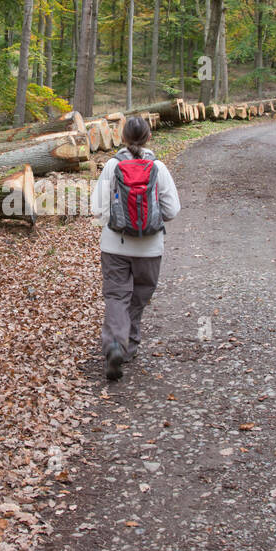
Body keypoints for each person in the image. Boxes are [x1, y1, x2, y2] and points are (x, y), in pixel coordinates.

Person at [90, 115, 180, 380]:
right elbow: (172, 210)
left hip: (115, 246)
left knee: (117, 296)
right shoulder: (158, 168)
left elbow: (97, 208)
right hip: (150, 248)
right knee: (139, 297)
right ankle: (127, 345)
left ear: (122, 138)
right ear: (149, 137)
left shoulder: (111, 166)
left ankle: (116, 344)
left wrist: (117, 222)